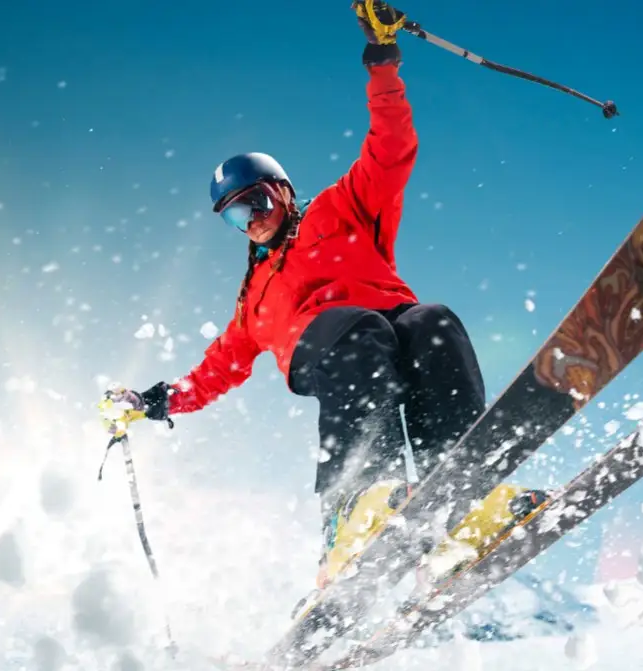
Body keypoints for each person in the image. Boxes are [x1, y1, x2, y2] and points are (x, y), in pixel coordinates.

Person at [104, 0, 542, 607]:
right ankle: (354, 509)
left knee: (432, 322)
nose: (251, 221)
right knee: (356, 329)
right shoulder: (255, 300)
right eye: (234, 216)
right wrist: (153, 400)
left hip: (390, 324)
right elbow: (214, 372)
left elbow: (391, 149)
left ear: (283, 191)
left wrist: (382, 62)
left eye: (256, 203)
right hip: (332, 347)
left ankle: (463, 497)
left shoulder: (341, 209)